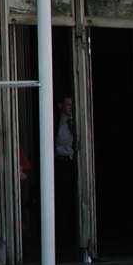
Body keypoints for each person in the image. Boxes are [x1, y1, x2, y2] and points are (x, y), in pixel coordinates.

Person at [54, 94, 78, 255]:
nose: (70, 108)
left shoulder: (77, 120)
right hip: (61, 162)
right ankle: (62, 238)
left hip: (74, 161)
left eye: (72, 105)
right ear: (60, 105)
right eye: (68, 104)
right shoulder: (57, 122)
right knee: (64, 199)